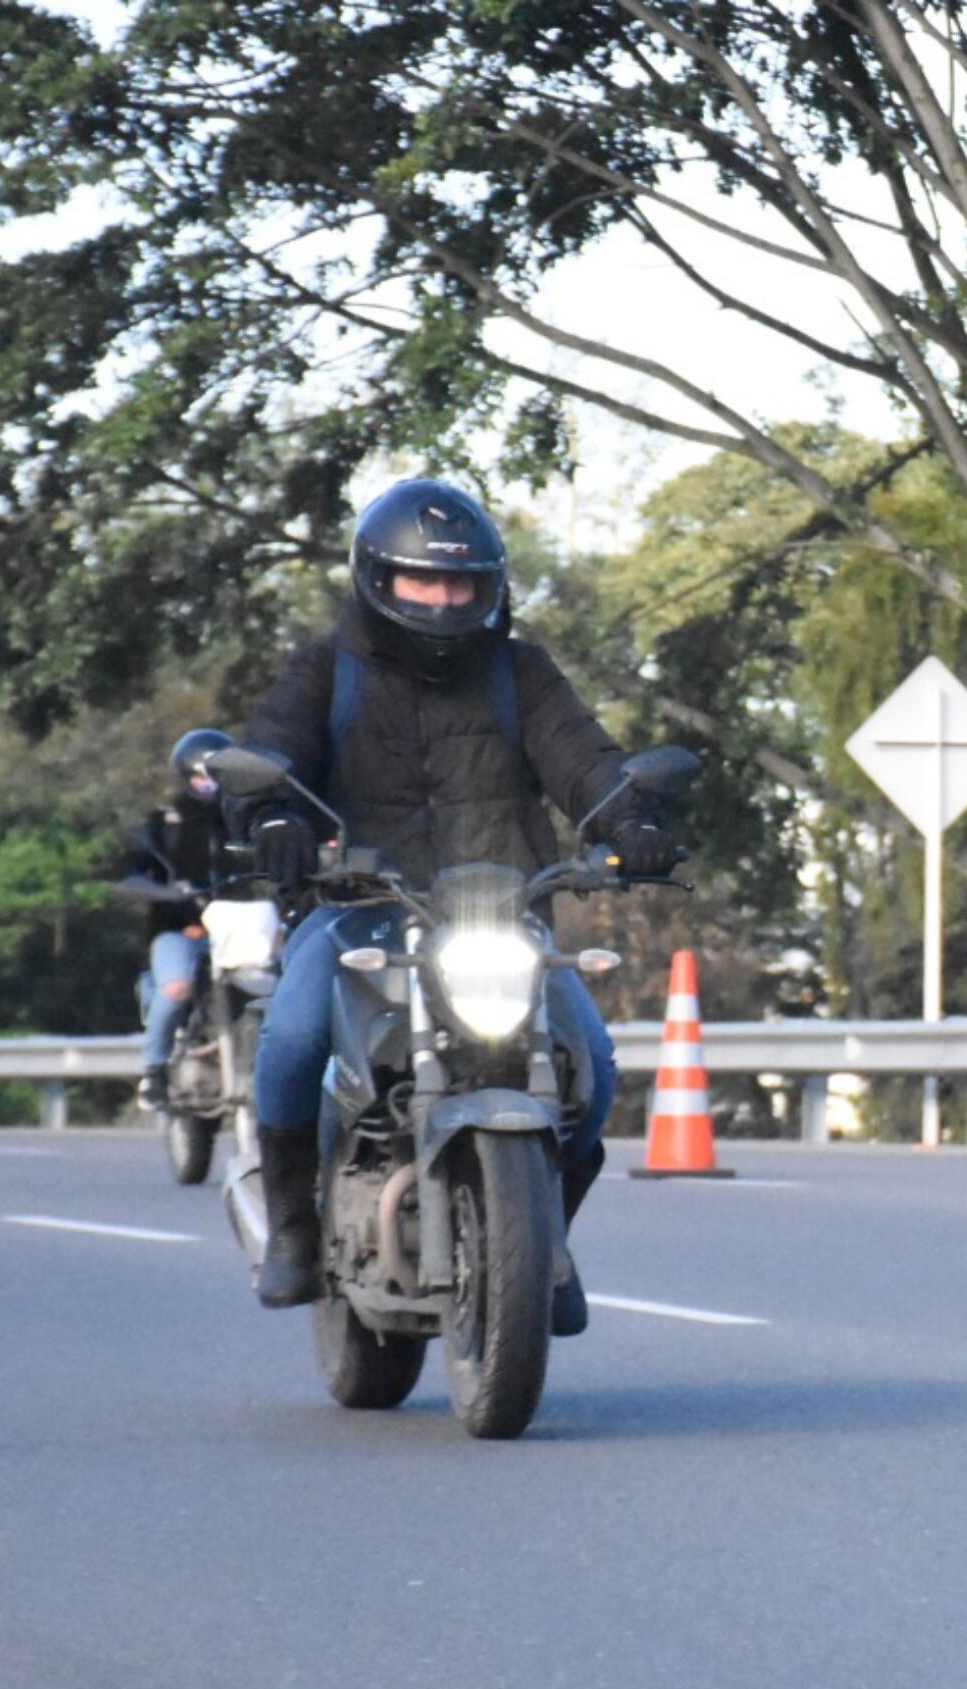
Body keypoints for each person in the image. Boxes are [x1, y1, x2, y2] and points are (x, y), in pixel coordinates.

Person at [227, 478, 678, 1324]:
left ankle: (541, 1244)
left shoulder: (521, 672)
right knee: (288, 1040)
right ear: (376, 580)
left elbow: (586, 761)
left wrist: (631, 816)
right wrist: (274, 814)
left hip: (501, 917)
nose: (442, 599)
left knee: (594, 1071)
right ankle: (292, 1229)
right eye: (421, 581)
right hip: (359, 907)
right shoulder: (325, 669)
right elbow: (270, 754)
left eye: (461, 584)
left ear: (488, 586)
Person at [114, 733, 230, 1110]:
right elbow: (129, 878)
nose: (209, 784)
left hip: (237, 931)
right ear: (185, 776)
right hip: (179, 931)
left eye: (217, 774)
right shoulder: (162, 826)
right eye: (201, 776)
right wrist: (170, 894)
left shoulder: (243, 823)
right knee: (176, 988)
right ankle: (154, 1071)